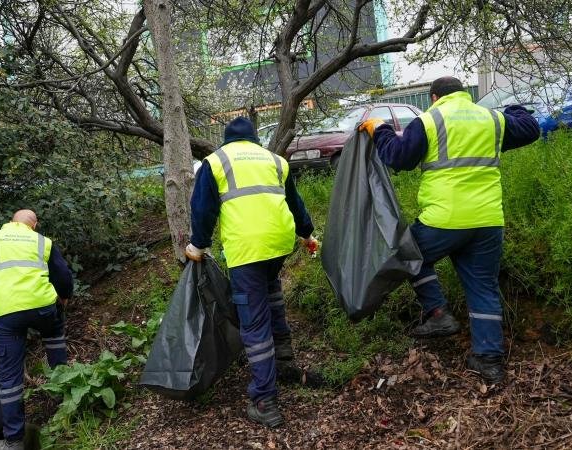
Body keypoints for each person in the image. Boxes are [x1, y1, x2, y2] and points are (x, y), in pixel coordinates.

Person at [359, 76, 540, 384]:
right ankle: (488, 360)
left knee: (408, 255)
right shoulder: (491, 119)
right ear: (463, 95)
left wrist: (381, 129)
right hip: (487, 221)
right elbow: (530, 128)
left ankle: (438, 315)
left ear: (433, 97)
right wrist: (513, 105)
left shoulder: (429, 120)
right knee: (483, 286)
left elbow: (398, 158)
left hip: (443, 220)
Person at [186, 117, 318, 428]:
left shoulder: (216, 161)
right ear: (254, 140)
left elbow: (203, 209)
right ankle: (284, 364)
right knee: (272, 296)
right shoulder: (274, 160)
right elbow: (295, 203)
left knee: (254, 322)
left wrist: (198, 245)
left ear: (226, 140)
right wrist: (308, 234)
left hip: (247, 250)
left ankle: (264, 399)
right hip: (280, 243)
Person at [0, 209, 74, 450]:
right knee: (55, 334)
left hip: (7, 315)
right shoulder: (42, 241)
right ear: (33, 225)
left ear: (11, 222)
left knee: (10, 376)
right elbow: (63, 273)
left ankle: (14, 440)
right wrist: (64, 296)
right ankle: (65, 401)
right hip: (43, 308)